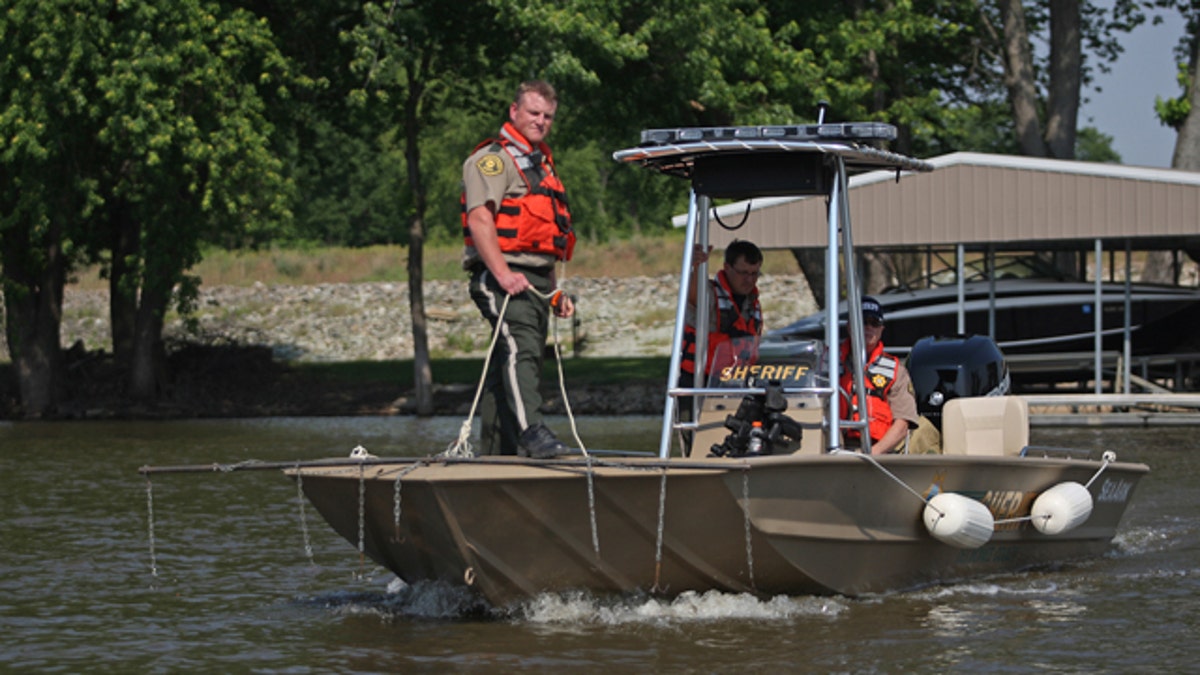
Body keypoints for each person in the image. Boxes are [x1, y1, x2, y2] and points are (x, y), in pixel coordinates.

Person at [462, 80, 575, 459]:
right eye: (533, 113)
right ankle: (533, 434)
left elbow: (544, 240)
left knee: (506, 365)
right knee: (521, 348)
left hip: (537, 279)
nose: (541, 121)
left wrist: (554, 290)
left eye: (547, 116)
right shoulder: (493, 161)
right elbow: (480, 220)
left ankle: (498, 456)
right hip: (503, 276)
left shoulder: (542, 165)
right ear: (514, 112)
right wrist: (502, 274)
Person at [678, 240, 764, 435]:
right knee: (695, 438)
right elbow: (691, 293)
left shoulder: (752, 305)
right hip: (699, 384)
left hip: (736, 386)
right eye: (743, 273)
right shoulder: (707, 294)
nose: (749, 280)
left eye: (754, 274)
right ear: (727, 268)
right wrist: (695, 266)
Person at [838, 296, 920, 454]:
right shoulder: (828, 363)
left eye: (874, 323)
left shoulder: (896, 370)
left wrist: (871, 454)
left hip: (878, 453)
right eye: (863, 321)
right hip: (833, 449)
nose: (868, 327)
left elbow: (903, 424)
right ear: (849, 326)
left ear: (881, 329)